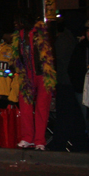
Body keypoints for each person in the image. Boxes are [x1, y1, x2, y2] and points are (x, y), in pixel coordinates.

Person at [13, 14, 55, 150]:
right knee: (25, 106)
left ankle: (40, 141)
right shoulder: (18, 36)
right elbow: (17, 56)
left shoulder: (40, 32)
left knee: (41, 108)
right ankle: (27, 137)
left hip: (42, 74)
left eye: (17, 21)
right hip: (27, 75)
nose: (15, 24)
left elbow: (49, 53)